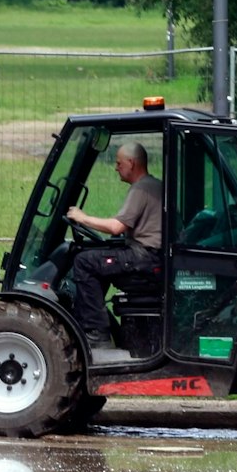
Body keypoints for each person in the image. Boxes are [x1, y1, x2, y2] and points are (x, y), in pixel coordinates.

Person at [63, 141, 163, 350]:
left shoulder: (141, 188)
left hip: (144, 259)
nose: (116, 167)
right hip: (149, 257)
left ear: (132, 163)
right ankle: (102, 325)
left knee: (84, 262)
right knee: (97, 258)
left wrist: (83, 218)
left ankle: (96, 333)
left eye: (119, 163)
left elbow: (116, 227)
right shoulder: (155, 184)